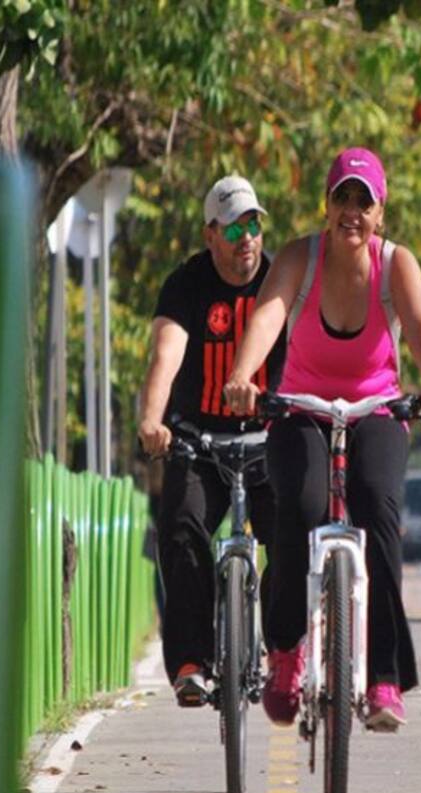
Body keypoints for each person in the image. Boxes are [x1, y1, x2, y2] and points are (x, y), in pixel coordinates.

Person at [223, 147, 421, 731]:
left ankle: (382, 677)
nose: (352, 211)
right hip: (301, 404)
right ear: (327, 205)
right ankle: (285, 652)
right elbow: (266, 318)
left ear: (381, 212)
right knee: (296, 507)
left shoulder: (397, 265)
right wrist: (242, 376)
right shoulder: (302, 258)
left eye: (364, 201)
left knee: (377, 505)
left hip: (376, 405)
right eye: (341, 198)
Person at [137, 174, 286, 706]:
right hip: (198, 440)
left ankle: (282, 647)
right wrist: (153, 421)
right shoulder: (185, 285)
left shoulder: (278, 281)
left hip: (269, 440)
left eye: (254, 224)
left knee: (291, 537)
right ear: (210, 235)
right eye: (234, 227)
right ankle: (191, 662)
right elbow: (166, 355)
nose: (247, 237)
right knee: (180, 529)